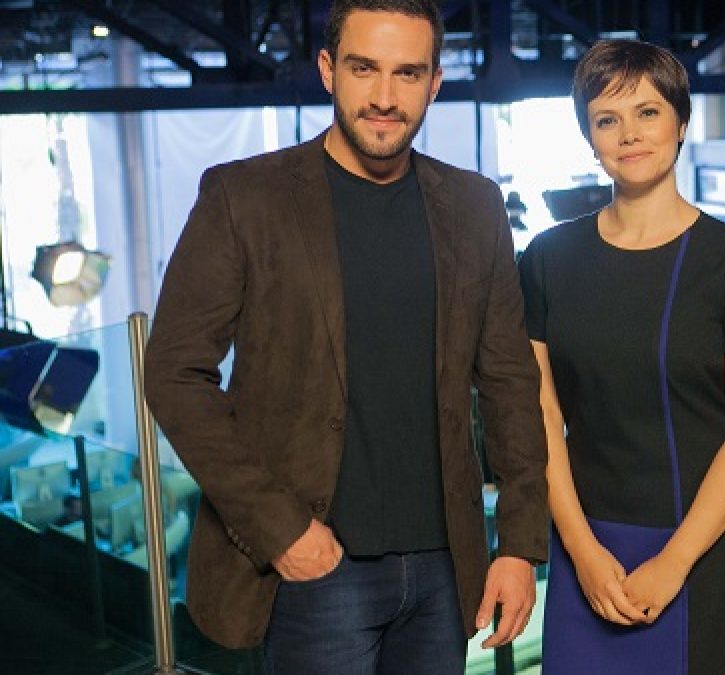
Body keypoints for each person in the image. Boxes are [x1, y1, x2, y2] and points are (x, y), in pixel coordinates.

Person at [143, 1, 548, 673]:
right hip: (316, 567)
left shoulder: (475, 206)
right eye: (364, 69)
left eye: (407, 73)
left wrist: (520, 544)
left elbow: (509, 382)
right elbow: (174, 373)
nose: (385, 97)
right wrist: (278, 527)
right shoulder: (245, 196)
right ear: (329, 69)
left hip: (447, 566)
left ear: (434, 83)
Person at [519, 39, 725, 675]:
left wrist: (673, 563)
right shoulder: (547, 261)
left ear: (681, 121)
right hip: (592, 555)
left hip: (710, 557)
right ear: (589, 138)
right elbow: (540, 420)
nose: (629, 135)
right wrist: (582, 553)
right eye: (607, 119)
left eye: (647, 112)